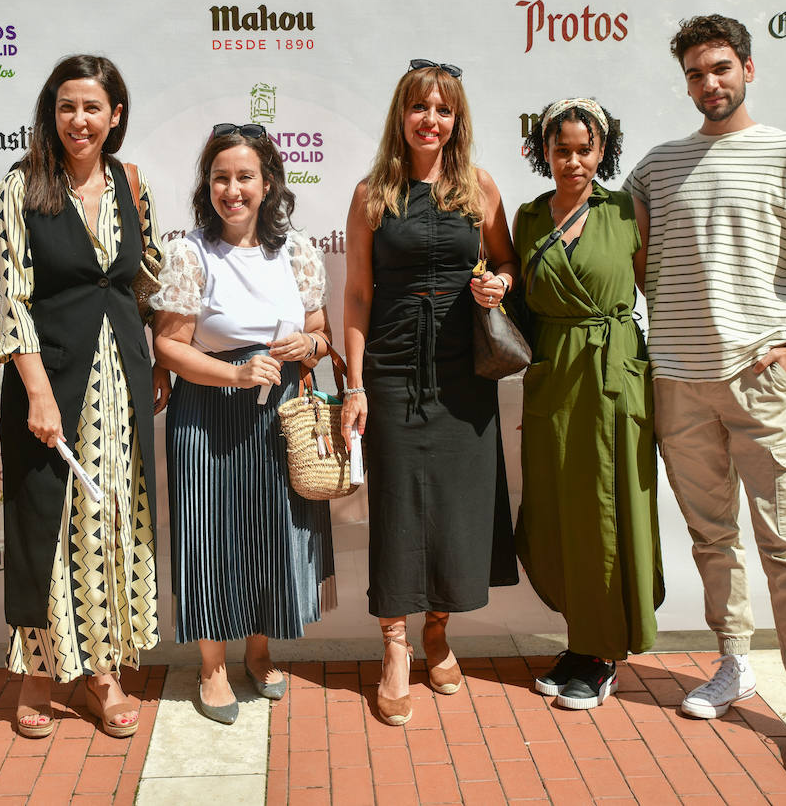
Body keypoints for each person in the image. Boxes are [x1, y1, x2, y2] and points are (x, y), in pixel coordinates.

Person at [625, 15, 786, 775]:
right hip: (677, 382)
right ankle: (733, 662)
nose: (709, 84)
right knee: (712, 539)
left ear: (748, 70)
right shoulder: (658, 165)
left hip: (759, 382)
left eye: (720, 68)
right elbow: (622, 248)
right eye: (695, 73)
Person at [0, 54, 165, 740]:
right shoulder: (22, 185)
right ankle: (39, 671)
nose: (80, 119)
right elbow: (10, 298)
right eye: (67, 106)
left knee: (108, 526)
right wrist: (37, 393)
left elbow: (144, 280)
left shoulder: (131, 182)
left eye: (93, 107)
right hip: (50, 386)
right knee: (47, 529)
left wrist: (162, 360)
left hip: (120, 380)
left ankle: (101, 674)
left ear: (115, 115)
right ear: (51, 112)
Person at [343, 60, 519, 727]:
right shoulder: (371, 193)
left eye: (443, 110)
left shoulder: (480, 187)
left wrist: (500, 284)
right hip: (392, 369)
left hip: (463, 375)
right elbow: (358, 295)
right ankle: (394, 649)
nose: (431, 120)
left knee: (456, 508)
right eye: (420, 108)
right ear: (402, 115)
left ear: (457, 120)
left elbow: (506, 262)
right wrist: (354, 383)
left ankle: (438, 631)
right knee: (396, 509)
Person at [152, 124, 336, 725]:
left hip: (278, 411)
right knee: (208, 536)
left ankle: (259, 653)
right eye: (221, 177)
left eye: (245, 177)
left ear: (267, 183)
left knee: (267, 531)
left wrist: (304, 344)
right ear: (207, 186)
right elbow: (169, 347)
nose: (233, 190)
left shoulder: (299, 252)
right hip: (207, 411)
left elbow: (322, 335)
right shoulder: (189, 252)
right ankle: (211, 666)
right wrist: (233, 374)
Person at [512, 98, 663, 710]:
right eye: (560, 149)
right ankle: (580, 640)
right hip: (553, 377)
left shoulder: (628, 210)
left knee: (608, 507)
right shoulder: (526, 218)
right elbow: (517, 303)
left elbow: (660, 290)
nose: (572, 161)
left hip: (613, 377)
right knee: (557, 509)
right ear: (543, 152)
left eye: (584, 149)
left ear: (603, 152)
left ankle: (601, 654)